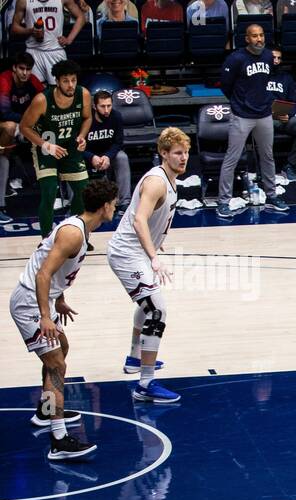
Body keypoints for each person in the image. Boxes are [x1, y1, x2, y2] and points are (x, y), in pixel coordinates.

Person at [8, 177, 117, 459]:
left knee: (62, 349)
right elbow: (43, 274)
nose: (115, 208)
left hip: (42, 299)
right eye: (114, 204)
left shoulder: (81, 229)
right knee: (56, 363)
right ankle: (59, 440)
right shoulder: (74, 233)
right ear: (105, 206)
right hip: (30, 302)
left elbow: (54, 274)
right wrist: (46, 316)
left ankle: (46, 413)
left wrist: (60, 299)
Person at [106, 127, 188, 400]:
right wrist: (154, 256)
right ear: (163, 154)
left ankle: (134, 358)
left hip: (136, 250)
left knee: (148, 304)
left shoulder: (172, 179)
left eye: (186, 152)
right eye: (177, 153)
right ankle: (145, 384)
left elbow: (151, 221)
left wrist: (156, 240)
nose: (183, 157)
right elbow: (140, 219)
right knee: (157, 310)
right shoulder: (156, 182)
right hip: (128, 253)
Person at [217, 23, 288, 218]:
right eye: (254, 36)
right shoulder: (236, 58)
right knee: (232, 158)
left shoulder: (267, 56)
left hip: (264, 114)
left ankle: (272, 196)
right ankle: (223, 201)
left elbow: (266, 82)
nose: (259, 39)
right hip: (241, 115)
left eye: (261, 35)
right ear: (246, 38)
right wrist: (239, 102)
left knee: (268, 157)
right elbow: (225, 85)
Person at [19, 58, 90, 238]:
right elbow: (24, 127)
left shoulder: (84, 94)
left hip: (71, 146)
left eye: (73, 80)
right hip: (46, 146)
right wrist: (46, 145)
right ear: (57, 82)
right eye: (65, 81)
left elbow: (87, 118)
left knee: (83, 191)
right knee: (50, 191)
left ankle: (74, 234)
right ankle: (46, 239)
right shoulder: (42, 99)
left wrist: (82, 136)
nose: (70, 85)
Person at [0, 52, 44, 225]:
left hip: (22, 123)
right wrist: (27, 123)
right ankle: (4, 161)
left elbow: (46, 102)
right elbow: (4, 112)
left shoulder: (32, 81)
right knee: (10, 126)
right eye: (22, 69)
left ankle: (51, 188)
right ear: (14, 68)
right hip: (4, 124)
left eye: (28, 69)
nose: (25, 73)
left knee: (47, 129)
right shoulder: (4, 80)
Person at [9, 0, 87, 85]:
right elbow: (14, 28)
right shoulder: (23, 1)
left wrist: (69, 39)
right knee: (35, 91)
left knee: (60, 91)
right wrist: (31, 31)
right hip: (33, 51)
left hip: (55, 50)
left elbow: (81, 17)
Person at [267, 46, 296, 183]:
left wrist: (288, 114)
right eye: (274, 57)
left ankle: (290, 165)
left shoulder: (286, 78)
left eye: (279, 58)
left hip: (284, 116)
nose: (277, 61)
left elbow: (293, 102)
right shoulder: (257, 77)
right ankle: (266, 168)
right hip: (265, 119)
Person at [83, 90, 130, 209]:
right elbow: (77, 147)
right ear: (94, 106)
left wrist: (108, 156)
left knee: (122, 157)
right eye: (102, 106)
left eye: (109, 106)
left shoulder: (116, 116)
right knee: (73, 161)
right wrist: (91, 157)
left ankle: (124, 201)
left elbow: (118, 142)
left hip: (108, 154)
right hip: (88, 154)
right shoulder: (86, 119)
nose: (106, 110)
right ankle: (76, 204)